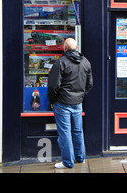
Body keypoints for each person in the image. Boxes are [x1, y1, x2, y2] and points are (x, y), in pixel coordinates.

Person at [48, 38, 93, 169]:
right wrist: (80, 96)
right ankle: (80, 157)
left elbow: (53, 86)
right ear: (77, 47)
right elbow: (89, 84)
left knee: (65, 133)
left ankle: (67, 162)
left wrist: (52, 100)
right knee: (78, 131)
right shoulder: (86, 62)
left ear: (64, 48)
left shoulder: (60, 62)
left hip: (62, 103)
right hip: (77, 103)